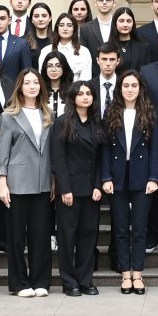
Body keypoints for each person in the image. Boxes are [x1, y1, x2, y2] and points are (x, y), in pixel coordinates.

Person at [0, 69, 55, 297]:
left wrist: (54, 179)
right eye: (27, 83)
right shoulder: (8, 116)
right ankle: (19, 283)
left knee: (40, 235)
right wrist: (2, 182)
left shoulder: (49, 114)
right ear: (20, 87)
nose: (32, 86)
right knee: (16, 237)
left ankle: (40, 280)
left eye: (36, 82)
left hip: (42, 182)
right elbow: (3, 152)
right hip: (17, 183)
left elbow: (52, 151)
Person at [102, 71, 158, 294]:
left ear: (140, 88)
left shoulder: (148, 112)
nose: (130, 89)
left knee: (140, 229)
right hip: (117, 178)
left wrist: (154, 178)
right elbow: (105, 149)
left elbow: (155, 148)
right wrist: (106, 177)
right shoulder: (111, 112)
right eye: (126, 85)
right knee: (121, 229)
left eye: (134, 85)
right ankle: (125, 274)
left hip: (142, 177)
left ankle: (138, 274)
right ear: (120, 88)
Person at [51, 82, 105, 297]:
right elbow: (59, 159)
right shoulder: (62, 122)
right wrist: (64, 189)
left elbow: (101, 159)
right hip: (69, 190)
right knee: (67, 237)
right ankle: (69, 281)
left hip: (91, 189)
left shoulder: (97, 123)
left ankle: (85, 279)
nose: (85, 97)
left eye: (88, 93)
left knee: (88, 236)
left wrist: (98, 185)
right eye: (80, 93)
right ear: (73, 97)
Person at [42, 13, 93, 81]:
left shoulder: (83, 51)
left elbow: (86, 78)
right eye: (61, 25)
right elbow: (42, 77)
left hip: (76, 87)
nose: (65, 28)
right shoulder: (46, 50)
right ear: (57, 28)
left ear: (74, 28)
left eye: (69, 25)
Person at [108, 6, 149, 72]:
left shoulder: (143, 47)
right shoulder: (108, 47)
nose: (125, 24)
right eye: (121, 21)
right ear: (115, 23)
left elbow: (147, 72)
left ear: (133, 23)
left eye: (129, 21)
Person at [39, 50, 74, 121]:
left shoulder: (72, 90)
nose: (53, 69)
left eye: (58, 66)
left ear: (64, 68)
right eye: (49, 66)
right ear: (45, 68)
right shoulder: (39, 90)